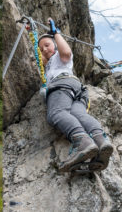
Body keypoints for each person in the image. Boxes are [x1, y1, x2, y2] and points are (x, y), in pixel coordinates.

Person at [38, 18, 113, 172]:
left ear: (55, 45)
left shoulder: (59, 57)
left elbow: (65, 52)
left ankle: (83, 142)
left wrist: (56, 33)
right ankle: (100, 140)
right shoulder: (50, 64)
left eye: (47, 45)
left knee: (56, 113)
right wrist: (29, 32)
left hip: (63, 86)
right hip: (78, 90)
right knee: (77, 114)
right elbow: (40, 59)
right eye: (41, 48)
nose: (44, 49)